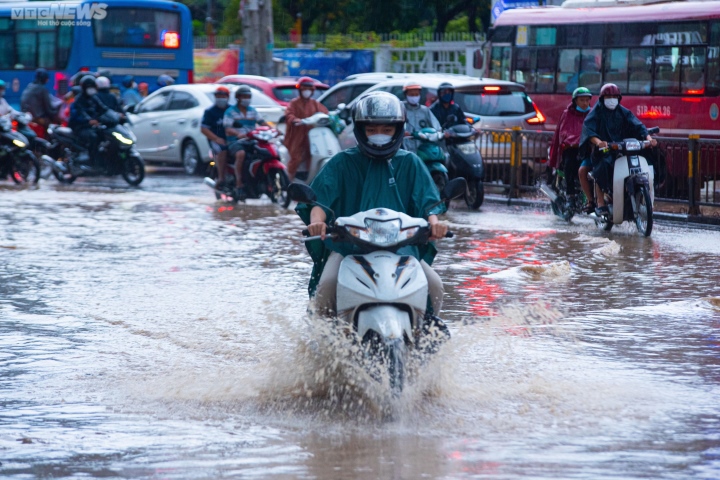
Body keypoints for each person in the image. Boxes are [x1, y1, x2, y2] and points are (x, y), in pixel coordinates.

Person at [297, 92, 449, 325]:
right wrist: (316, 222)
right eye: (372, 129)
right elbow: (319, 203)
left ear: (397, 130)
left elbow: (429, 205)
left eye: (387, 130)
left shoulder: (410, 163)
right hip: (348, 246)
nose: (380, 135)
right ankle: (323, 338)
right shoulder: (341, 163)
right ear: (361, 130)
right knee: (326, 284)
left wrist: (435, 226)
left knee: (435, 285)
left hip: (402, 248)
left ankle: (427, 333)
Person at [580, 83, 657, 216]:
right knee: (602, 167)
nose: (612, 99)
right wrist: (599, 142)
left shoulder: (623, 111)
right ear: (602, 98)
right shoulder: (596, 112)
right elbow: (589, 131)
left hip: (622, 149)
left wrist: (649, 139)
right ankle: (600, 203)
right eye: (609, 96)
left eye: (615, 96)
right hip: (603, 151)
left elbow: (638, 125)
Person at [548, 87, 595, 211]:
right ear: (575, 101)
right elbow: (564, 133)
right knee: (569, 163)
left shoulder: (593, 114)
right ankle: (570, 195)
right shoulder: (567, 114)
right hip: (573, 150)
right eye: (582, 100)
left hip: (590, 151)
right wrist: (575, 141)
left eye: (587, 100)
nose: (585, 103)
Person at [223, 86, 266, 200]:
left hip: (252, 140)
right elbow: (227, 129)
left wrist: (273, 130)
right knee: (241, 154)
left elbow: (262, 123)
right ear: (238, 98)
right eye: (244, 97)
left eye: (248, 97)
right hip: (235, 141)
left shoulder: (253, 111)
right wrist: (238, 134)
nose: (246, 99)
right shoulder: (230, 112)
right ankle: (238, 182)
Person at [284, 76, 329, 181]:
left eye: (309, 89)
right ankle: (288, 182)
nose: (306, 91)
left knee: (313, 156)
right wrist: (296, 120)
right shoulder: (294, 103)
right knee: (296, 158)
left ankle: (310, 181)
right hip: (297, 135)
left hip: (312, 136)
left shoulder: (314, 103)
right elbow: (289, 115)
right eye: (304, 89)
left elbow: (325, 113)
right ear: (300, 90)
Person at [69, 75, 110, 167]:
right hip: (80, 126)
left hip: (91, 126)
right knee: (93, 137)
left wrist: (115, 115)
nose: (91, 89)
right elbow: (81, 112)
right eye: (89, 87)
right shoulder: (79, 100)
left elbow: (103, 108)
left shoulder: (94, 97)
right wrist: (89, 120)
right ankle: (91, 160)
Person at [201, 86, 230, 186]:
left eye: (222, 95)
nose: (220, 98)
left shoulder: (232, 110)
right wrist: (216, 139)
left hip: (232, 139)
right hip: (216, 140)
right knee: (222, 150)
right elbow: (204, 129)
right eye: (218, 95)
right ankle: (221, 177)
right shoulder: (210, 112)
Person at [402, 82, 442, 153]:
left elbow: (437, 128)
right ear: (406, 95)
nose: (414, 97)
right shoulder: (401, 108)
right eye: (411, 95)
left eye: (416, 94)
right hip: (405, 148)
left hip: (423, 150)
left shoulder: (425, 110)